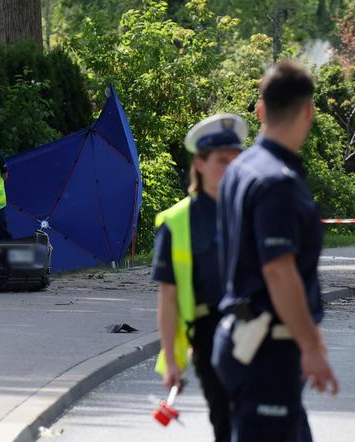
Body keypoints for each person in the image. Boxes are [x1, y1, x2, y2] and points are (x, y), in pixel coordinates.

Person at [212, 61, 339, 442]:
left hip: (241, 339)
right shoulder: (277, 183)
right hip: (269, 350)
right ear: (309, 111)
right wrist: (311, 346)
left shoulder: (240, 168)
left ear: (260, 110)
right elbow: (278, 272)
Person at [152, 114, 248, 442]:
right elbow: (168, 297)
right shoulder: (176, 221)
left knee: (262, 420)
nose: (230, 168)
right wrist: (172, 361)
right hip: (208, 336)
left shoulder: (254, 211)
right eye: (222, 161)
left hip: (257, 327)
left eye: (236, 160)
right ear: (200, 163)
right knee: (226, 420)